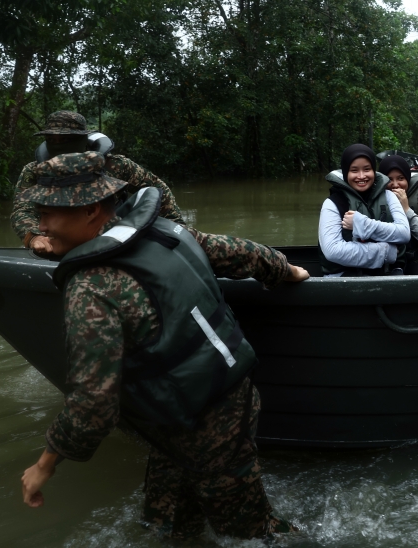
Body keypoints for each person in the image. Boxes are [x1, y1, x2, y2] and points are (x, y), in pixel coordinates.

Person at [16, 151, 310, 540]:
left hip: (207, 431)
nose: (41, 224)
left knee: (253, 533)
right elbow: (243, 253)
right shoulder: (166, 232)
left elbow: (94, 405)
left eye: (50, 212)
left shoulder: (91, 288)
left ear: (90, 211)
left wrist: (45, 464)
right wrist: (289, 270)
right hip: (219, 403)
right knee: (165, 521)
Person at [12, 111, 184, 255]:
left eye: (65, 139)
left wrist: (176, 227)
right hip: (60, 241)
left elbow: (157, 190)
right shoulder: (35, 171)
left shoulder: (115, 165)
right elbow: (22, 209)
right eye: (52, 140)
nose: (58, 145)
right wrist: (35, 236)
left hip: (112, 236)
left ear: (82, 139)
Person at [318, 144, 410, 276]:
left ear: (374, 170)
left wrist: (361, 224)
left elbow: (404, 233)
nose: (361, 176)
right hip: (344, 276)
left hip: (386, 273)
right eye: (354, 170)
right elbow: (332, 250)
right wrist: (385, 251)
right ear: (346, 173)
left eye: (367, 169)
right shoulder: (332, 204)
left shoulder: (389, 196)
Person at [380, 155, 418, 274]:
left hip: (415, 261)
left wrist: (407, 210)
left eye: (400, 178)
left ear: (407, 180)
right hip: (383, 261)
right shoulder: (374, 202)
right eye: (389, 180)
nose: (395, 184)